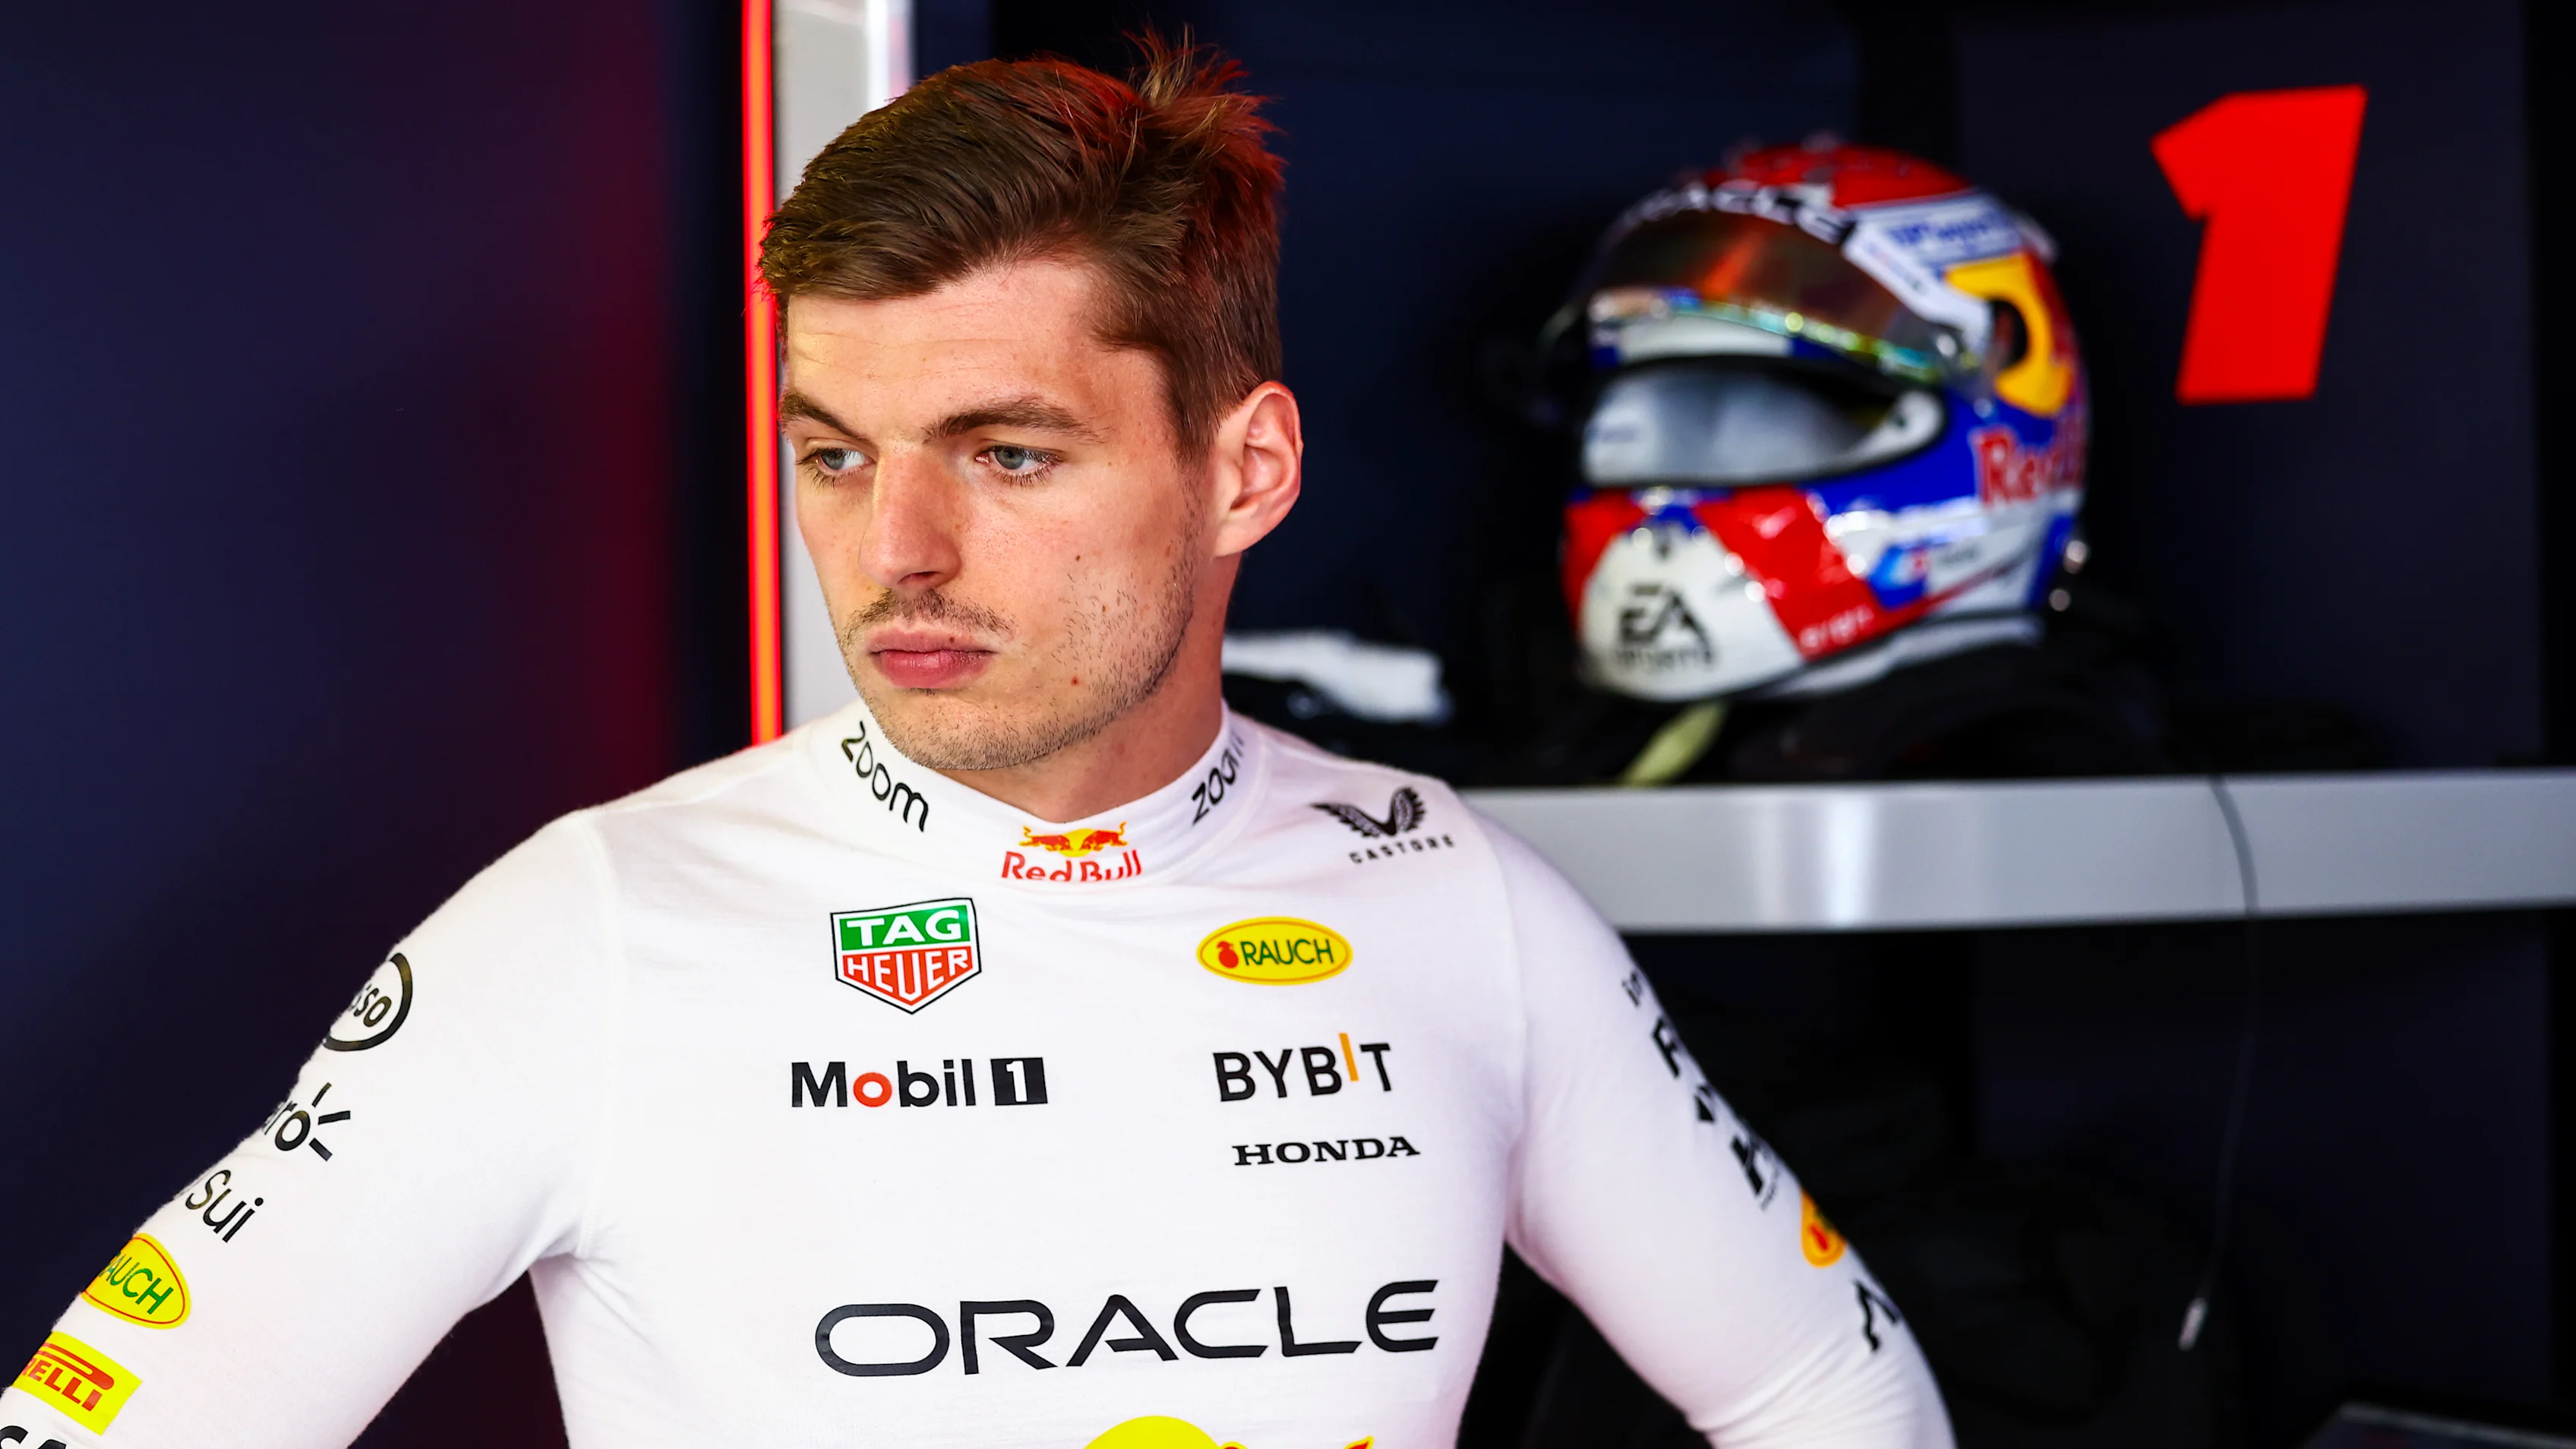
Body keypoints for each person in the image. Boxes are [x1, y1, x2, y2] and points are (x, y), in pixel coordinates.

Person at [2, 39, 1949, 1449]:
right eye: (835, 458)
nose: (898, 553)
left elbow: (1821, 1387)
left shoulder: (1454, 896)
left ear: (1241, 468)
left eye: (1008, 455)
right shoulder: (593, 930)